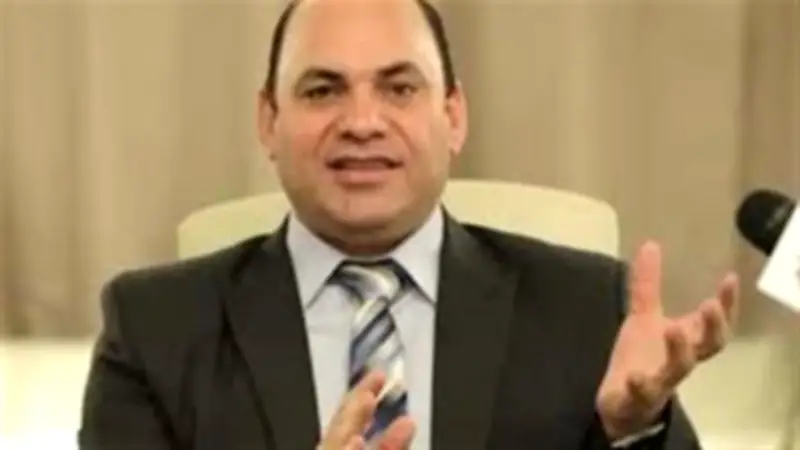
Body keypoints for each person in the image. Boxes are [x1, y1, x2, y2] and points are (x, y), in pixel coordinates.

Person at [78, 0, 740, 449]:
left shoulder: (584, 310)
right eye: (322, 90)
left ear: (453, 118)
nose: (362, 122)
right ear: (268, 121)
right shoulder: (155, 328)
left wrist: (636, 432)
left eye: (399, 88)